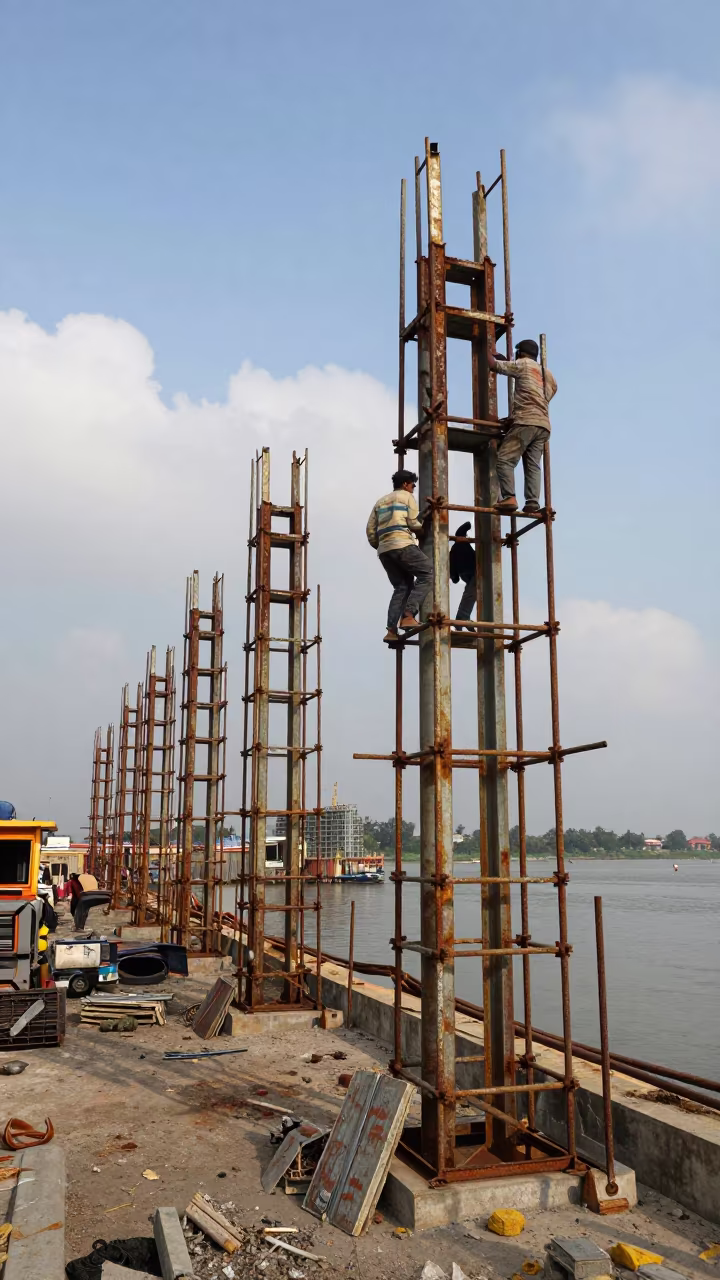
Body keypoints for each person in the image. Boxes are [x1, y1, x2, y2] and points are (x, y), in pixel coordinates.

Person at [489, 338, 557, 515]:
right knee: (533, 465)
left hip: (525, 420)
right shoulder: (546, 372)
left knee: (505, 459)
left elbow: (494, 365)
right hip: (543, 424)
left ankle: (509, 497)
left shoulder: (522, 364)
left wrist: (485, 351)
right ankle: (532, 502)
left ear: (520, 353)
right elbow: (553, 388)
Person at [366, 469, 432, 642]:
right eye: (412, 485)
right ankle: (409, 614)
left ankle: (391, 630)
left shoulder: (380, 502)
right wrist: (422, 529)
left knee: (402, 586)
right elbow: (413, 523)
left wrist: (381, 546)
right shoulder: (407, 497)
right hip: (402, 544)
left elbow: (370, 531)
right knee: (428, 573)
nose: (413, 488)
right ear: (405, 484)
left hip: (385, 551)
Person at [449, 521, 476, 623]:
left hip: (465, 573)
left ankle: (461, 619)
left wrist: (454, 577)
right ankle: (463, 617)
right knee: (472, 592)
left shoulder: (456, 548)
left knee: (471, 592)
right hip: (470, 571)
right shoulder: (463, 546)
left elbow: (451, 563)